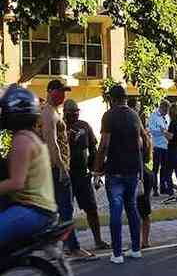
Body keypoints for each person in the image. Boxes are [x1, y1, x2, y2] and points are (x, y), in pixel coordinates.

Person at [39, 80, 95, 259]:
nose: (63, 95)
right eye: (59, 91)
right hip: (57, 168)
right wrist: (62, 167)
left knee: (57, 209)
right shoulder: (48, 112)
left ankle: (55, 245)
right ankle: (73, 247)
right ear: (50, 91)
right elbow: (51, 141)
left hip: (54, 167)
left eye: (64, 92)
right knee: (66, 209)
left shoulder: (52, 112)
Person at [0, 86, 60, 249]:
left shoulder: (21, 140)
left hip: (33, 211)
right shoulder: (30, 136)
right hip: (40, 209)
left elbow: (16, 183)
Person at [93, 85, 145, 264]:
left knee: (116, 209)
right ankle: (136, 249)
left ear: (112, 99)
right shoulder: (134, 115)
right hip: (132, 170)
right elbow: (143, 141)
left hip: (114, 170)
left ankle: (117, 254)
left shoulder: (109, 116)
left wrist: (97, 169)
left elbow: (104, 145)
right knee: (131, 207)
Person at [64, 99, 109, 250]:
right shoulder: (59, 127)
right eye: (72, 113)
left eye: (77, 112)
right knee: (66, 212)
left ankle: (98, 240)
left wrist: (96, 170)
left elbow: (93, 149)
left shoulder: (84, 126)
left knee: (91, 208)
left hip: (83, 175)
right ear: (65, 113)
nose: (75, 115)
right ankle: (68, 244)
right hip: (66, 177)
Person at [148, 100, 171, 196]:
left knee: (164, 168)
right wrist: (162, 131)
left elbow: (168, 128)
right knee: (155, 168)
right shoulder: (153, 117)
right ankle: (155, 189)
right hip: (157, 146)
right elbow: (152, 130)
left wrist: (166, 131)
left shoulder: (167, 116)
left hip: (166, 145)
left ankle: (163, 187)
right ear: (161, 108)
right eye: (165, 110)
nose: (166, 113)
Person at [137, 123, 155, 249]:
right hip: (147, 174)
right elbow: (148, 158)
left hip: (138, 176)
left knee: (137, 211)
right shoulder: (146, 140)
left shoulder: (134, 140)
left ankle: (138, 241)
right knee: (144, 210)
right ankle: (145, 240)